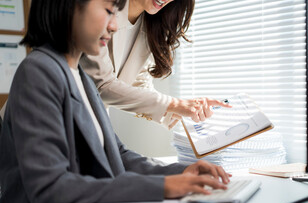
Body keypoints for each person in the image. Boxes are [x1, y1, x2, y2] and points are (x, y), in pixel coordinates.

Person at [0, 0, 230, 203]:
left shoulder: (83, 80)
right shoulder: (38, 72)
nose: (114, 26)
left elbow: (117, 155)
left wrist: (179, 172)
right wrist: (160, 187)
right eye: (108, 11)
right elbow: (50, 188)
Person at [81, 0, 231, 129]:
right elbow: (100, 85)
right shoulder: (98, 10)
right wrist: (173, 105)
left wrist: (179, 110)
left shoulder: (150, 25)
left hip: (94, 127)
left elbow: (138, 84)